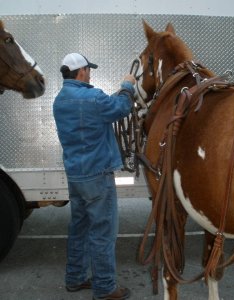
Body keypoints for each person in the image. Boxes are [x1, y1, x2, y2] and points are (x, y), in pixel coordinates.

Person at [53, 52, 136, 300]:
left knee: (79, 228)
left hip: (76, 177)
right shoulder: (93, 97)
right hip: (98, 176)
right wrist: (127, 85)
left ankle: (75, 278)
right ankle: (105, 287)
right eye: (89, 70)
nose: (90, 74)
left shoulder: (59, 100)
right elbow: (121, 107)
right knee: (102, 233)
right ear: (81, 71)